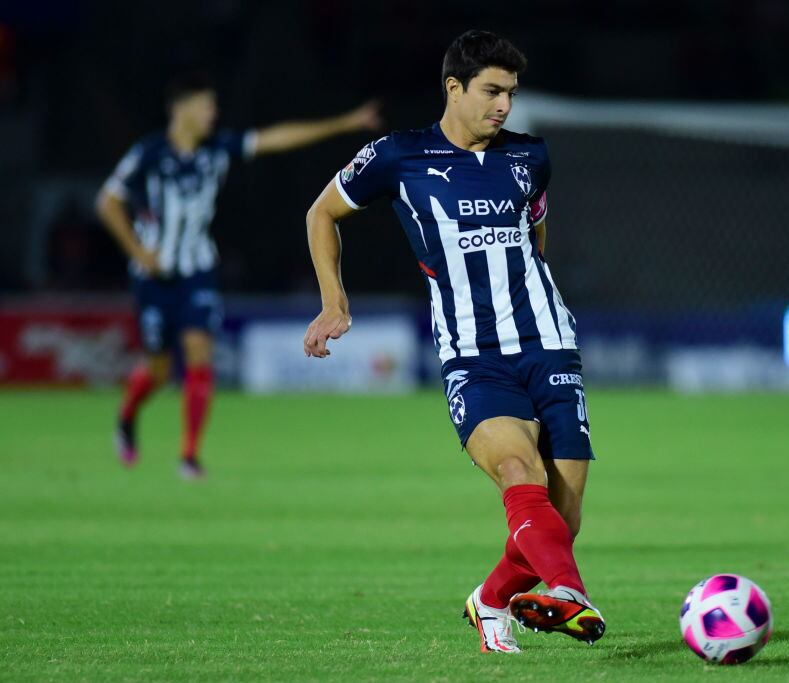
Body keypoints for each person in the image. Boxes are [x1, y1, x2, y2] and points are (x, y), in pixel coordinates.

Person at [302, 30, 604, 652]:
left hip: (549, 345)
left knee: (562, 517)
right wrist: (335, 301)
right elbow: (321, 213)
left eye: (511, 94)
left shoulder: (530, 157)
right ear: (454, 87)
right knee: (519, 471)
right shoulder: (396, 156)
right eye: (492, 91)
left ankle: (491, 601)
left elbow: (536, 233)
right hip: (473, 356)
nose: (503, 106)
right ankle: (570, 592)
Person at [97, 70, 382, 479]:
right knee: (158, 370)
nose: (213, 112)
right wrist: (139, 251)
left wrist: (345, 124)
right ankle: (127, 418)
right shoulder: (149, 153)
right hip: (153, 277)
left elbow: (276, 138)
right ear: (183, 108)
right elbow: (108, 201)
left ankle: (189, 456)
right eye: (206, 104)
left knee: (199, 355)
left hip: (197, 270)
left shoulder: (218, 149)